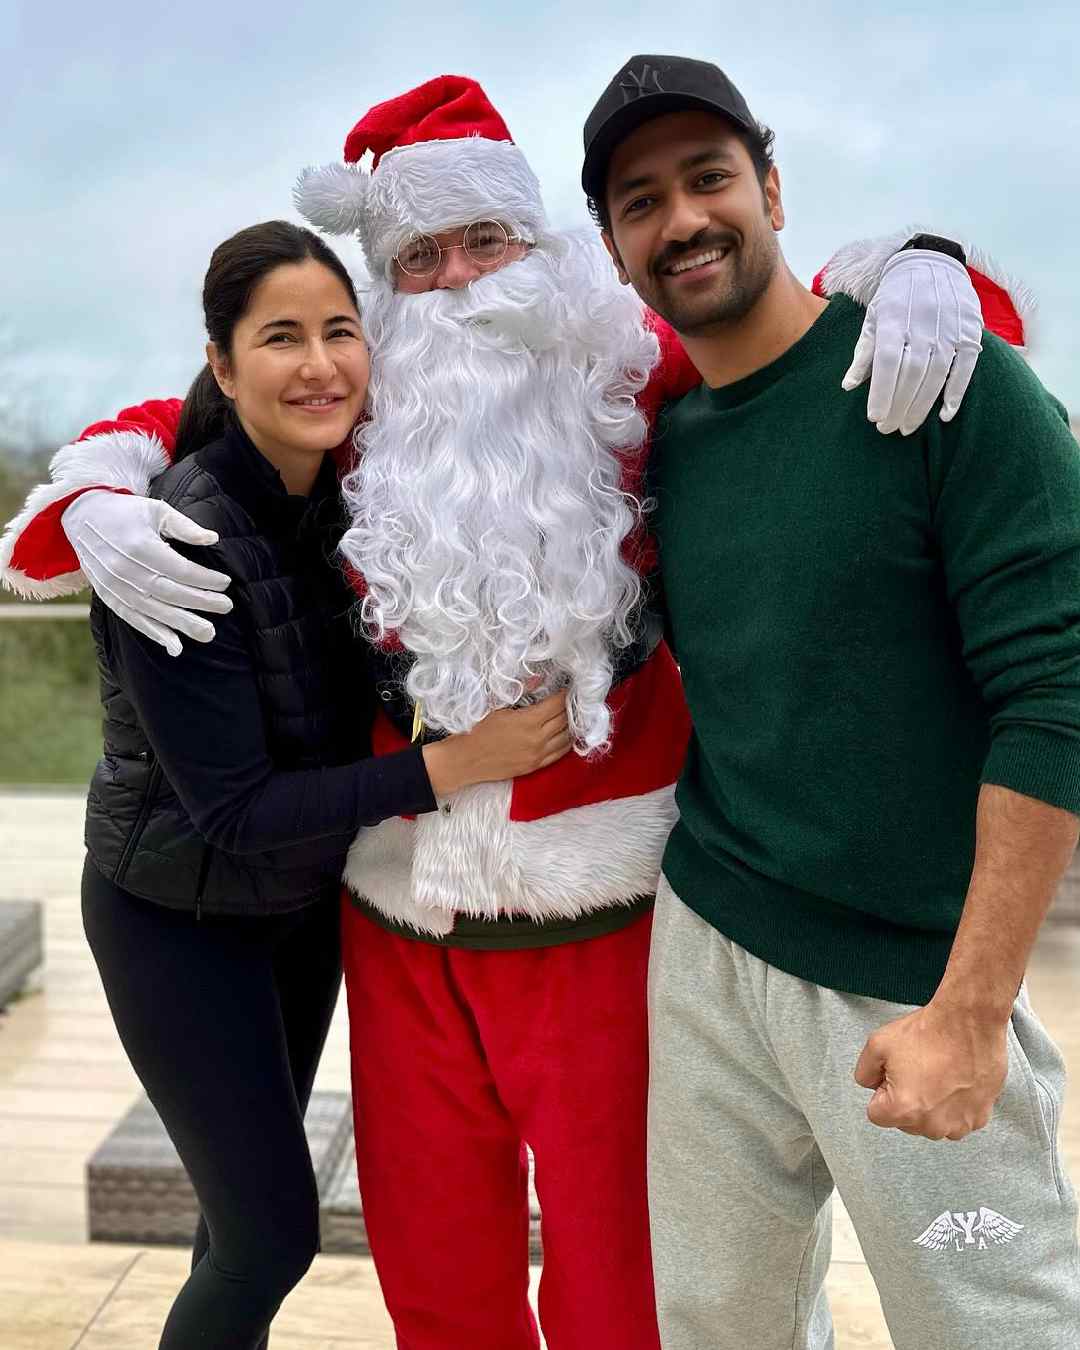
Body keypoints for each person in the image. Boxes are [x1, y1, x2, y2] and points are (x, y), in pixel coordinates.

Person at [0, 76, 1021, 1350]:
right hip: (397, 927)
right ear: (383, 291)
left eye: (488, 242)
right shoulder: (362, 403)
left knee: (621, 1289)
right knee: (436, 1281)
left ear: (544, 253)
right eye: (420, 257)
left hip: (610, 928)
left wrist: (927, 269)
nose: (462, 281)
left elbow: (817, 337)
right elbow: (198, 416)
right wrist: (100, 479)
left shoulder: (621, 377)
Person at [580, 53, 1080, 1350]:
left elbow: (1059, 691)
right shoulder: (668, 449)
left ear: (773, 184)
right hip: (709, 943)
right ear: (615, 245)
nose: (682, 218)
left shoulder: (949, 383)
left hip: (911, 980)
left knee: (990, 1316)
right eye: (641, 200)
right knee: (720, 1321)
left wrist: (972, 1011)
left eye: (709, 177)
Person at [76, 218, 571, 1350]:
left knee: (231, 1228)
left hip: (291, 915)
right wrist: (453, 764)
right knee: (270, 1239)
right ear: (222, 362)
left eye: (340, 332)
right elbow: (234, 809)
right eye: (281, 337)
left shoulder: (339, 496)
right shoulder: (175, 542)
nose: (319, 364)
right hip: (176, 921)